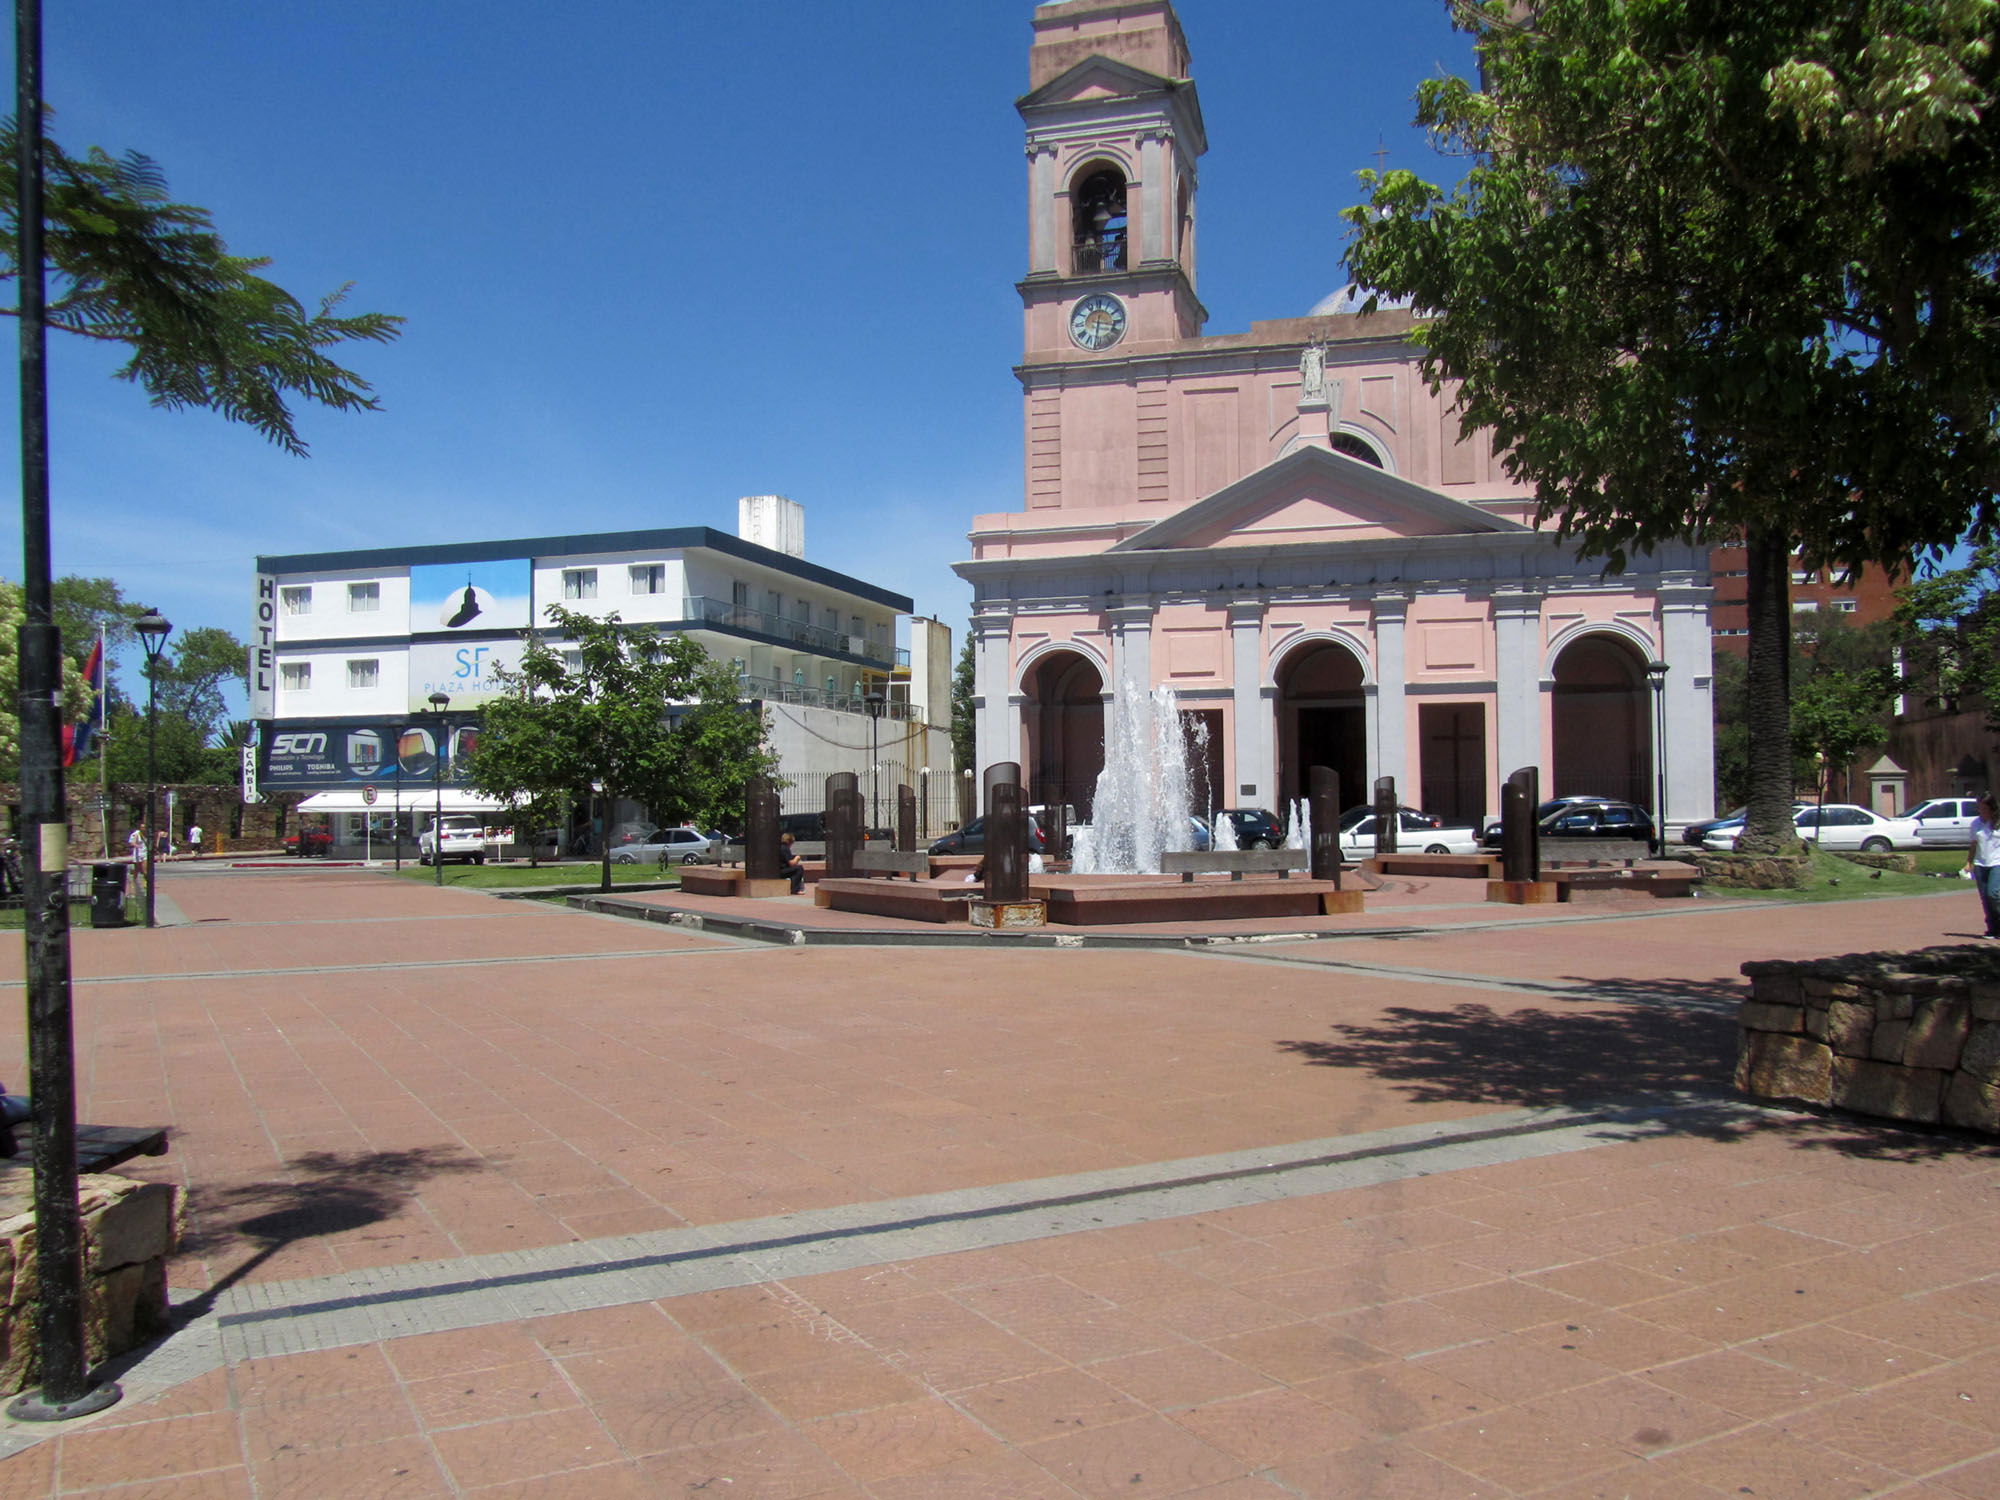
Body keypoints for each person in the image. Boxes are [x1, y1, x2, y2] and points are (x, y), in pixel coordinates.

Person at [1967, 793, 2000, 939]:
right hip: (1981, 863)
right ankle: (1992, 929)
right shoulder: (1975, 823)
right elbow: (1973, 844)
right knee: (1985, 898)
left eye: (1985, 808)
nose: (1982, 811)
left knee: (1993, 894)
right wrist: (1969, 862)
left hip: (1997, 863)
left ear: (1992, 808)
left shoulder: (1998, 822)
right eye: (1979, 808)